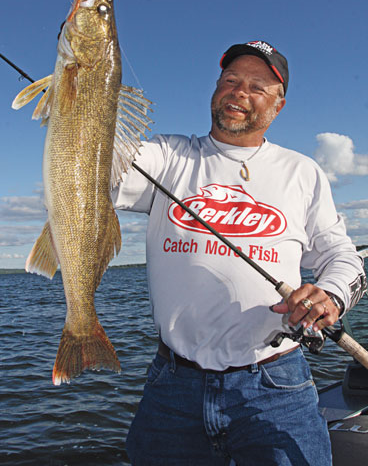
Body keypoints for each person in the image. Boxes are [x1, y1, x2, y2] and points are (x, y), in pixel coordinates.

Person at [113, 40, 366, 465]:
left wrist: (332, 296)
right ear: (215, 88)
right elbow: (91, 165)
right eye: (230, 80)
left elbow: (343, 255)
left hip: (275, 381)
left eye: (256, 86)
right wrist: (80, 74)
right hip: (173, 384)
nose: (239, 92)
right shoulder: (166, 155)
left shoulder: (301, 171)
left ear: (278, 105)